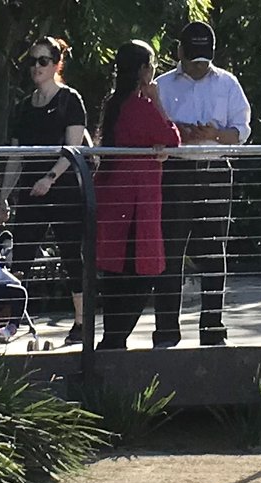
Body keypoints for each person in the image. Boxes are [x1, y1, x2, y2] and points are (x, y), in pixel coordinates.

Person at [152, 18, 249, 348]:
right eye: (192, 58)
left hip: (214, 170)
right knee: (171, 251)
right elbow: (152, 129)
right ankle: (166, 331)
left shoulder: (228, 84)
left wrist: (215, 135)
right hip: (175, 173)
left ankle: (212, 329)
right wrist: (178, 132)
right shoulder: (161, 85)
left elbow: (241, 131)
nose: (198, 66)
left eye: (203, 59)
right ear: (179, 52)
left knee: (213, 252)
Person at [0, 36, 91, 344]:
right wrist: (3, 197)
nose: (36, 67)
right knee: (21, 255)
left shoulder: (70, 99)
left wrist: (50, 178)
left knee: (70, 255)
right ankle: (11, 320)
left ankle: (82, 322)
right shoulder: (23, 107)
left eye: (43, 61)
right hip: (30, 190)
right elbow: (15, 156)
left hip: (63, 187)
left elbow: (73, 147)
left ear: (55, 65)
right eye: (32, 61)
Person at [93, 39, 177, 350]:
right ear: (143, 70)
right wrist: (157, 101)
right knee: (141, 271)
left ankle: (113, 340)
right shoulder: (140, 106)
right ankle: (114, 341)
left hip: (117, 198)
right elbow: (171, 137)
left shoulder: (115, 103)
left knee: (118, 272)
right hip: (136, 203)